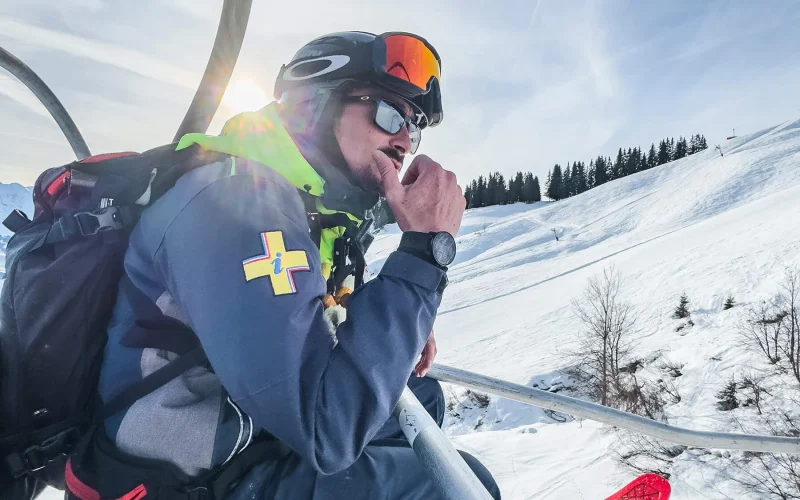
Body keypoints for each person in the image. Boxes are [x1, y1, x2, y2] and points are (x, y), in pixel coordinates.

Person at [68, 31, 501, 499]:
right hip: (182, 476)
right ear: (316, 107)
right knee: (459, 488)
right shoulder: (235, 205)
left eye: (412, 127)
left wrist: (398, 322)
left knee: (423, 403)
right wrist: (423, 253)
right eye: (388, 112)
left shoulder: (306, 205)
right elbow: (326, 427)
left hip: (251, 427)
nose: (404, 141)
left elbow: (306, 315)